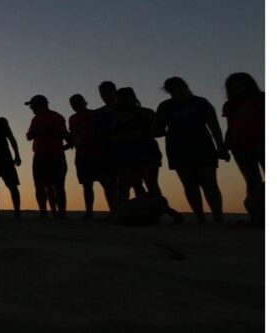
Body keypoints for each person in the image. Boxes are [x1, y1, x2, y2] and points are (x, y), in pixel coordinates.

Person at [156, 77, 228, 224]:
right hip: (178, 148)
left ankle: (218, 217)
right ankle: (200, 217)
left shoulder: (201, 102)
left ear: (184, 86)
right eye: (170, 89)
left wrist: (221, 147)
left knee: (209, 182)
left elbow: (214, 126)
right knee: (189, 184)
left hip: (202, 146)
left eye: (176, 87)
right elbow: (159, 130)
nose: (174, 91)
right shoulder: (165, 106)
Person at [222, 72, 264, 223]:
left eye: (241, 84)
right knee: (252, 181)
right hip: (241, 148)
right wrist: (224, 148)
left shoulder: (263, 99)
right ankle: (257, 216)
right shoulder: (230, 105)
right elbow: (231, 128)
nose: (238, 88)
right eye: (233, 86)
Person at [113, 87, 164, 207]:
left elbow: (160, 131)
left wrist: (141, 133)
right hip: (126, 153)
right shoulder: (118, 117)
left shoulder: (146, 112)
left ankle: (156, 210)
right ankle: (122, 212)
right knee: (124, 185)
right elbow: (114, 136)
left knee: (151, 183)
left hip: (147, 151)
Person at [68, 94, 113, 219]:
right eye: (72, 103)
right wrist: (68, 145)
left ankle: (113, 210)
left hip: (98, 154)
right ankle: (89, 212)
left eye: (77, 102)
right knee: (87, 185)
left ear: (84, 102)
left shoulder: (95, 115)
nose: (75, 105)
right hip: (82, 156)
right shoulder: (72, 118)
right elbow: (72, 135)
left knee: (106, 183)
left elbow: (105, 132)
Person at [25, 95, 69, 219]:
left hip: (55, 157)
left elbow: (65, 136)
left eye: (33, 106)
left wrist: (46, 132)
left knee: (58, 186)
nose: (32, 109)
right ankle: (44, 213)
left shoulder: (57, 117)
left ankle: (61, 214)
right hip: (39, 157)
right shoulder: (35, 119)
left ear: (41, 105)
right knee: (40, 186)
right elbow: (29, 136)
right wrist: (37, 131)